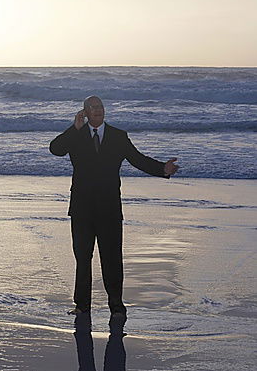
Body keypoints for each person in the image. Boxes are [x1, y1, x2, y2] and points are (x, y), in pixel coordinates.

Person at [49, 95, 179, 320]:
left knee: (112, 259)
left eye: (100, 106)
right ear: (84, 112)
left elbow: (138, 159)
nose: (97, 110)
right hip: (82, 208)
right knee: (83, 258)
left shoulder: (119, 136)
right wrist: (74, 128)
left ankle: (116, 307)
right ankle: (82, 305)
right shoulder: (76, 135)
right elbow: (55, 149)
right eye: (92, 107)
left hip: (109, 208)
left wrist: (163, 169)